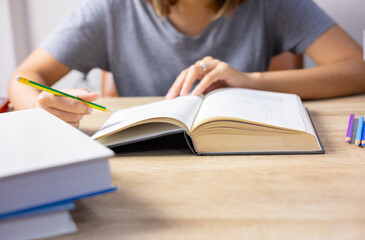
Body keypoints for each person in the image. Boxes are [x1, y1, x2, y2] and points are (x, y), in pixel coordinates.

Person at [8, 0, 365, 128]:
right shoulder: (111, 8)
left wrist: (252, 81)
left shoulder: (270, 4)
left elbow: (356, 68)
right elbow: (25, 78)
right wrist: (40, 107)